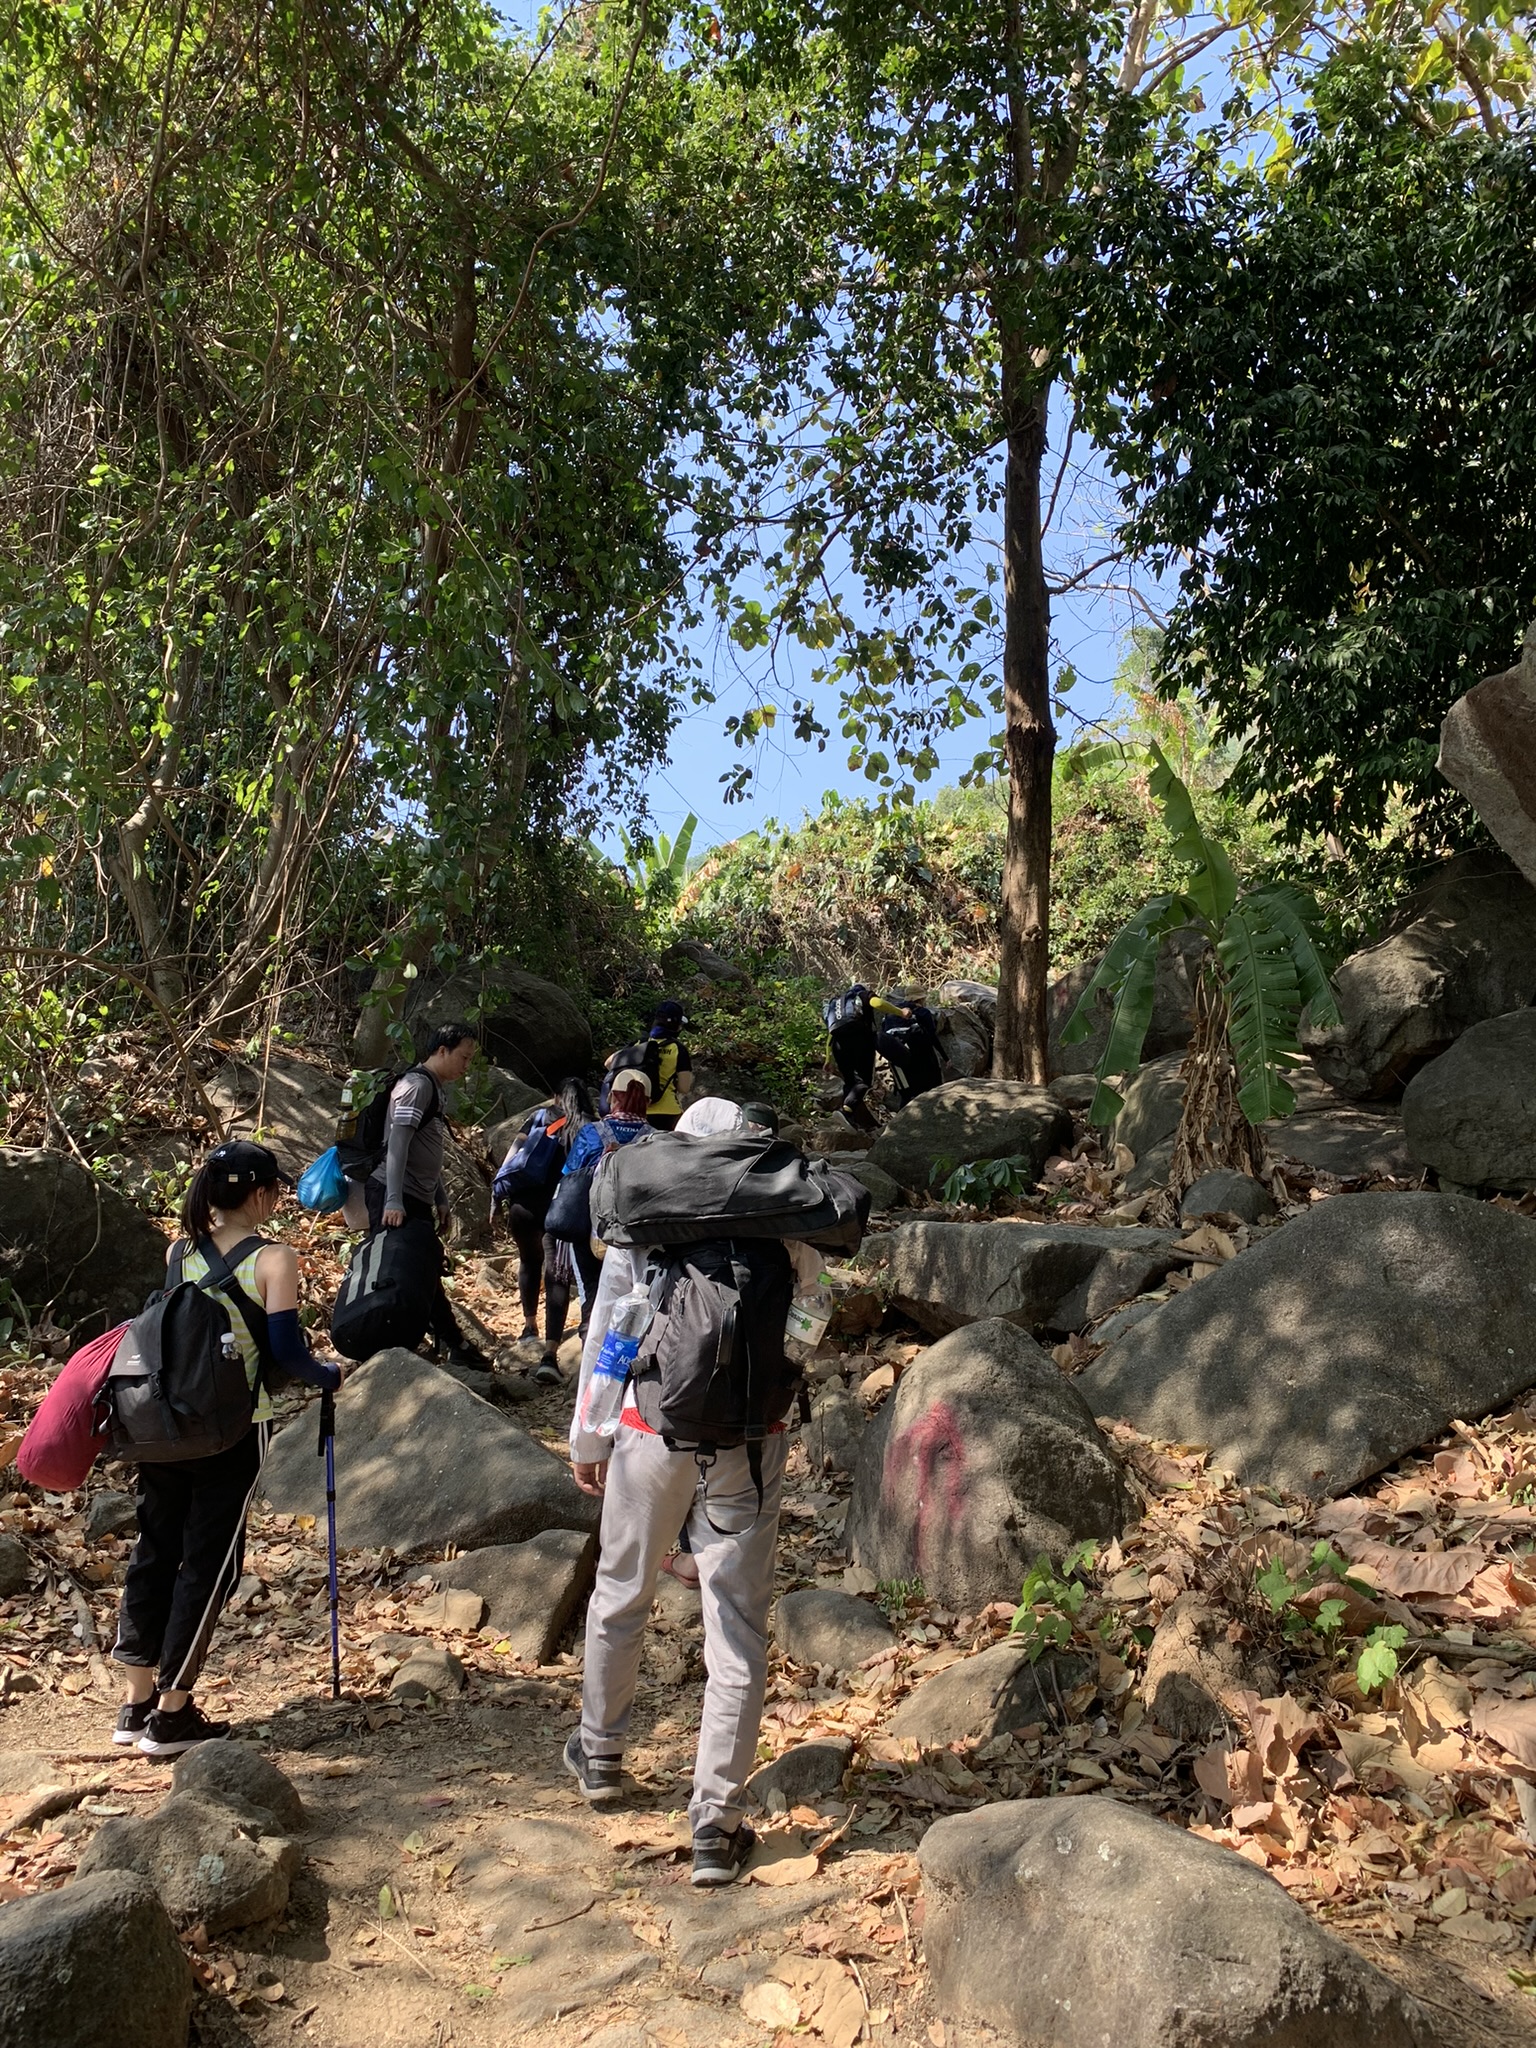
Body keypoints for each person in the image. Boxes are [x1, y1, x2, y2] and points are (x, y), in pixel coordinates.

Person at [563, 1114, 803, 1889]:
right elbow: (811, 1323)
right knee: (735, 1627)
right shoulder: (784, 1213)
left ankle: (601, 1753)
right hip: (751, 1444)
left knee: (621, 1589)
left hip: (648, 1430)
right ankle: (715, 1826)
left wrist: (590, 1435)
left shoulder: (646, 1210)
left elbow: (613, 1330)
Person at [113, 1141, 342, 1756]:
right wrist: (329, 1375)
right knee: (211, 1562)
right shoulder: (274, 1258)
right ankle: (172, 1715)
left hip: (162, 1427)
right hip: (233, 1429)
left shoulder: (178, 1252)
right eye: (276, 1190)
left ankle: (135, 1704)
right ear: (260, 1194)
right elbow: (287, 1354)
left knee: (155, 1549)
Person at [365, 1021, 486, 1369]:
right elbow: (398, 1143)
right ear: (442, 1050)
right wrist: (393, 1199)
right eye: (463, 1057)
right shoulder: (417, 1086)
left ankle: (451, 1343)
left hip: (414, 1195)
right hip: (395, 1195)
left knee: (423, 1270)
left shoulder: (433, 1087)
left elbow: (424, 1150)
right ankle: (389, 1346)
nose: (466, 1066)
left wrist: (440, 1197)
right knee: (397, 1271)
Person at [495, 1078, 595, 1386]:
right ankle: (549, 1356)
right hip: (559, 1209)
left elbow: (513, 1156)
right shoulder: (588, 1127)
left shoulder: (539, 1117)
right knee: (557, 1275)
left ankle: (529, 1329)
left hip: (523, 1206)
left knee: (529, 1262)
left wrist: (496, 1194)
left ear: (555, 1097)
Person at [823, 984, 908, 1129]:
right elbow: (878, 1003)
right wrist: (901, 1012)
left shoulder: (838, 1006)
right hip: (859, 1041)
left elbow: (831, 1034)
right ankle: (846, 1110)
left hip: (838, 1044)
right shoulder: (863, 996)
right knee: (863, 1082)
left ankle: (849, 1117)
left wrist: (827, 1059)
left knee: (850, 1082)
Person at [876, 998, 943, 1107]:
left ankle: (903, 1113)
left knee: (907, 1094)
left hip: (898, 1059)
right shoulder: (923, 1012)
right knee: (930, 1088)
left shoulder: (890, 1015)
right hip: (921, 1056)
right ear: (921, 999)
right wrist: (945, 1058)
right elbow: (932, 1036)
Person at [644, 999, 693, 1130]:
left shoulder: (639, 1044)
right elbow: (684, 1088)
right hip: (668, 1113)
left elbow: (609, 1062)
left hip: (639, 1111)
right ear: (676, 1025)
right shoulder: (678, 1049)